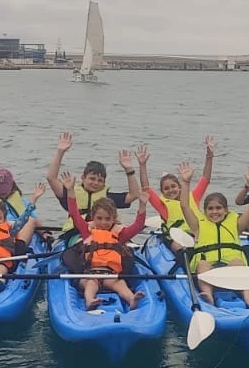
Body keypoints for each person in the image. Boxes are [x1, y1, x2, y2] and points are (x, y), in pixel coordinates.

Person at [177, 162, 249, 309]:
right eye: (210, 209)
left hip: (230, 267)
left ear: (226, 210)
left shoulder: (236, 224)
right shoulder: (198, 225)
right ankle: (208, 295)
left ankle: (248, 297)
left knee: (237, 262)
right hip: (209, 269)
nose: (214, 212)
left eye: (219, 208)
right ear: (205, 211)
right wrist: (185, 183)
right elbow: (184, 206)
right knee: (202, 264)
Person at [59, 178, 147, 312]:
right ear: (93, 217)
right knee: (90, 284)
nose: (103, 223)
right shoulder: (87, 231)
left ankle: (131, 299)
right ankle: (90, 300)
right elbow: (74, 214)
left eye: (107, 219)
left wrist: (142, 205)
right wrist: (70, 191)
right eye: (99, 218)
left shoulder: (120, 234)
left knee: (120, 284)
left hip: (110, 275)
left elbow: (138, 226)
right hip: (90, 274)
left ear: (113, 219)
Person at [46, 133, 136, 223]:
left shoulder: (108, 199)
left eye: (100, 180)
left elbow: (133, 195)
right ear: (83, 178)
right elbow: (51, 178)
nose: (96, 183)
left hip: (99, 229)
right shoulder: (70, 193)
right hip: (75, 230)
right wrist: (60, 152)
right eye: (92, 179)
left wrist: (129, 169)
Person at [137, 137, 215, 236]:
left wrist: (209, 156)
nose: (170, 190)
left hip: (199, 234)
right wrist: (142, 165)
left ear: (180, 187)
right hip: (178, 238)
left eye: (173, 186)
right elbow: (146, 188)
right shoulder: (162, 206)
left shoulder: (193, 197)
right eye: (166, 188)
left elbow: (205, 179)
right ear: (162, 192)